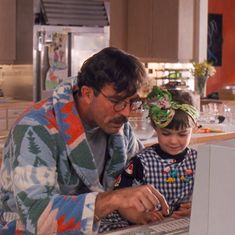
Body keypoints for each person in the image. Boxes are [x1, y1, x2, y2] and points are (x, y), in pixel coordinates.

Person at [0, 47, 169, 234]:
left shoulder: (120, 129)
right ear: (87, 93)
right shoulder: (35, 128)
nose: (126, 113)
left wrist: (180, 203)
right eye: (117, 101)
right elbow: (37, 216)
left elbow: (140, 176)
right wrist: (113, 199)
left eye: (132, 102)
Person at [99, 86, 199, 233]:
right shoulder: (141, 161)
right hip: (140, 226)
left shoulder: (199, 161)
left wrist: (196, 208)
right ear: (154, 127)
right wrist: (139, 217)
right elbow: (121, 201)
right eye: (166, 133)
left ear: (194, 128)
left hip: (177, 226)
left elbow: (210, 196)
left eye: (182, 134)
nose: (173, 141)